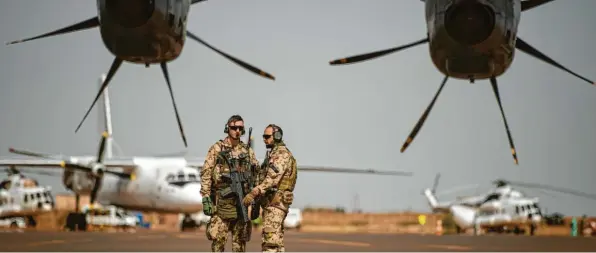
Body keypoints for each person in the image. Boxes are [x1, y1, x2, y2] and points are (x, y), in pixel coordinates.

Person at [200, 115, 260, 252]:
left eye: (240, 128)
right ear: (228, 128)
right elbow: (206, 173)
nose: (237, 131)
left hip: (241, 205)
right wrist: (205, 197)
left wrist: (255, 201)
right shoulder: (217, 148)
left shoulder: (247, 151)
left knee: (239, 246)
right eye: (234, 128)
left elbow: (256, 175)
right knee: (218, 244)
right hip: (221, 205)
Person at [242, 124, 297, 252]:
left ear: (277, 136)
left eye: (267, 136)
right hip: (271, 204)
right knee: (277, 244)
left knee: (270, 243)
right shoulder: (272, 154)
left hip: (276, 204)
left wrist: (254, 193)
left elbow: (272, 179)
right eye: (263, 136)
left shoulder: (281, 154)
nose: (264, 139)